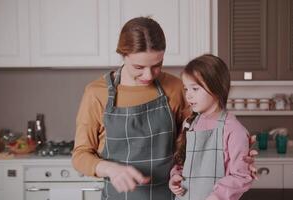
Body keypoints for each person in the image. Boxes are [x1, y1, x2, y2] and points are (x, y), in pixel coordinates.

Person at [72, 17, 257, 200]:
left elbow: (197, 141)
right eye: (138, 67)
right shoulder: (96, 93)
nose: (148, 75)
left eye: (157, 65)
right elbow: (80, 155)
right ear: (123, 54)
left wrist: (237, 156)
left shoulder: (175, 87)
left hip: (171, 194)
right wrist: (109, 169)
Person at [169, 54, 253, 200]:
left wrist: (216, 197)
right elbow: (183, 162)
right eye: (186, 89)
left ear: (216, 87)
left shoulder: (234, 129)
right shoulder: (189, 123)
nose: (188, 96)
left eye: (195, 89)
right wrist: (175, 176)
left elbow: (241, 176)